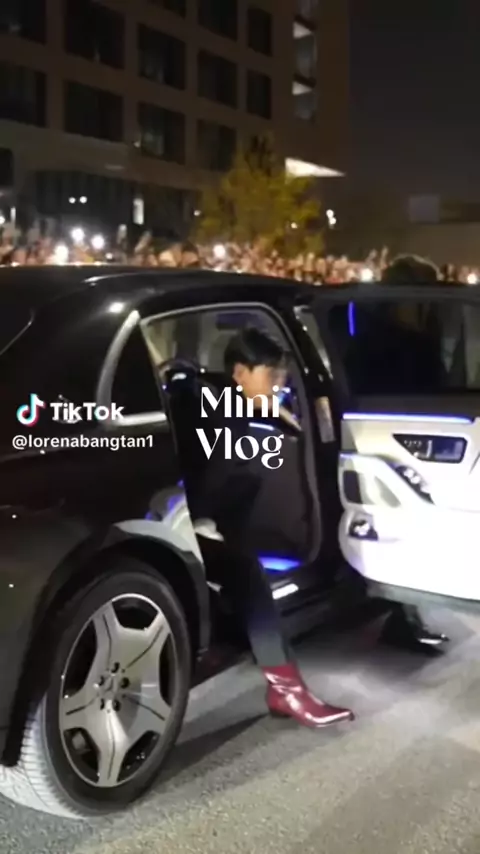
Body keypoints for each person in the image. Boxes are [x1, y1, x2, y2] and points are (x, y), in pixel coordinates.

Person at [188, 327, 354, 729]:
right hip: (188, 526)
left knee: (246, 566)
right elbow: (205, 482)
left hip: (207, 522)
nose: (278, 384)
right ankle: (287, 690)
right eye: (270, 374)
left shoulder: (228, 402)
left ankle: (279, 684)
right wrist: (203, 525)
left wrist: (277, 414)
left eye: (281, 376)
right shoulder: (217, 413)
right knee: (248, 574)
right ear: (239, 373)